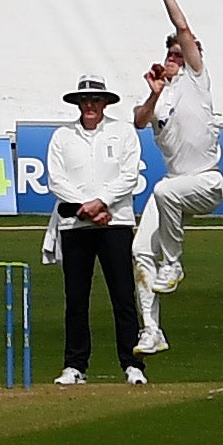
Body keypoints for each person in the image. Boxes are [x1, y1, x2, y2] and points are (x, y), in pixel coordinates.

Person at [136, 0, 223, 351]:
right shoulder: (163, 96)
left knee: (164, 192)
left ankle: (173, 263)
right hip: (174, 185)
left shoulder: (196, 79)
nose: (173, 60)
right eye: (170, 55)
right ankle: (151, 331)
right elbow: (139, 121)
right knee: (138, 251)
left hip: (206, 181)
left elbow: (183, 28)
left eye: (178, 55)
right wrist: (153, 95)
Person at [45, 79, 148, 387]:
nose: (89, 105)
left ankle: (132, 364)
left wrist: (102, 202)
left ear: (105, 103)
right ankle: (75, 366)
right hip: (75, 225)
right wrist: (85, 208)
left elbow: (130, 175)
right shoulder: (63, 136)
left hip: (115, 222)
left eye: (95, 100)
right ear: (78, 104)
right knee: (76, 299)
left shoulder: (123, 132)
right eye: (85, 100)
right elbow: (56, 180)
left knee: (122, 296)